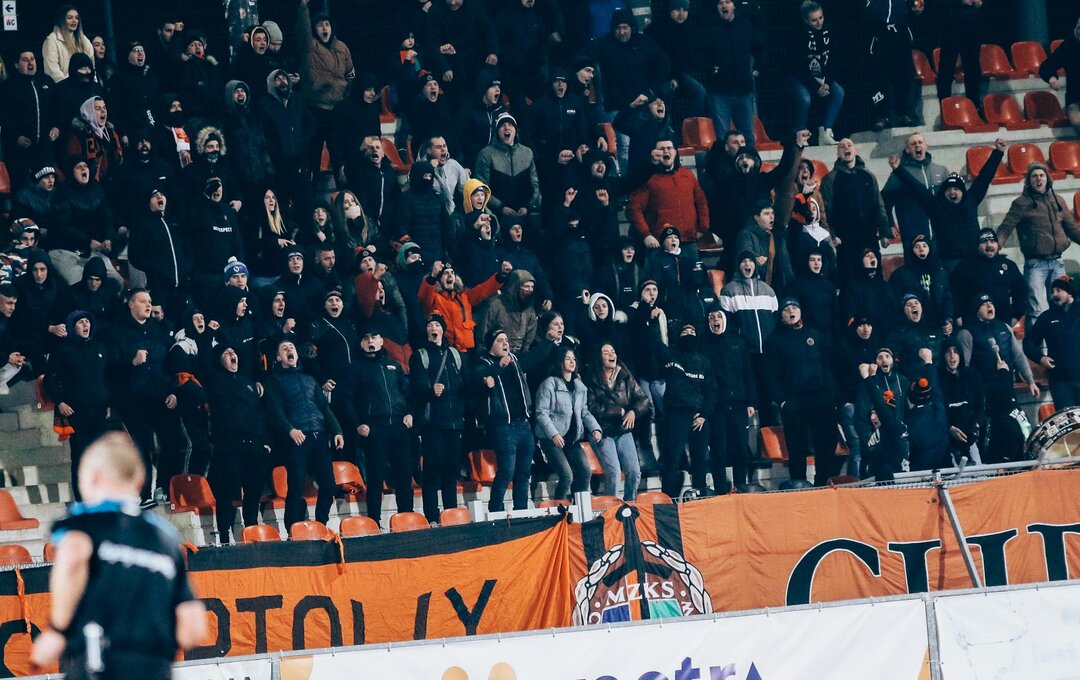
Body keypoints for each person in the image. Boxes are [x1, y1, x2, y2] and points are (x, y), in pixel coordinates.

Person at [29, 432, 208, 679]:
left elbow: (73, 559)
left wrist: (58, 631)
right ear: (140, 480)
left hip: (100, 660)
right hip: (155, 666)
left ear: (92, 476)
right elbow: (193, 627)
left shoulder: (83, 522)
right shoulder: (165, 535)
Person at [105, 289, 188, 505]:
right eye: (143, 301)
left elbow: (170, 365)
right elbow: (110, 367)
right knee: (142, 446)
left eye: (150, 301)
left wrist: (173, 391)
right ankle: (144, 495)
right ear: (131, 305)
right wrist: (131, 362)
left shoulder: (159, 330)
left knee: (173, 441)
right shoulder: (117, 332)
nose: (148, 305)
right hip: (132, 398)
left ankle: (163, 486)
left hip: (159, 396)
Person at [262, 338, 345, 532]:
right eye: (284, 348)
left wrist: (337, 430)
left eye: (291, 347)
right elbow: (275, 410)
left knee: (329, 486)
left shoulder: (309, 379)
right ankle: (293, 529)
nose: (289, 349)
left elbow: (324, 408)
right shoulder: (274, 381)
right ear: (278, 357)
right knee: (296, 486)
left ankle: (321, 525)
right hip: (297, 439)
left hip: (319, 436)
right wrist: (290, 429)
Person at [886, 140, 1005, 270]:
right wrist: (898, 169)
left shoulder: (971, 200)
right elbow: (916, 188)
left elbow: (984, 177)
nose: (952, 192)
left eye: (956, 189)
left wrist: (998, 152)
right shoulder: (936, 206)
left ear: (962, 191)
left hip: (974, 259)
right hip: (949, 263)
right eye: (948, 189)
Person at [472, 328, 554, 512]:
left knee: (523, 473)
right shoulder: (483, 362)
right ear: (491, 345)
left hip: (523, 424)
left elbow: (534, 357)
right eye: (500, 340)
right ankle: (495, 511)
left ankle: (521, 511)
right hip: (502, 427)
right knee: (506, 471)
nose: (505, 343)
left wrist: (548, 340)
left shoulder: (514, 359)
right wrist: (497, 369)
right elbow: (475, 377)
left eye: (506, 340)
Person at [995, 162, 1080, 330]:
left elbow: (1072, 228)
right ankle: (1037, 345)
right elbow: (1006, 227)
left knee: (1063, 306)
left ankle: (1060, 341)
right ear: (1029, 181)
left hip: (1057, 263)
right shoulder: (1021, 203)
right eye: (1034, 176)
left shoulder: (1058, 200)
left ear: (1047, 179)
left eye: (1041, 175)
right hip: (1035, 265)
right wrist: (996, 246)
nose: (1038, 179)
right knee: (1036, 309)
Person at [344, 323, 414, 524]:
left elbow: (408, 393)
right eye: (366, 338)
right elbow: (347, 400)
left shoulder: (394, 365)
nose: (370, 341)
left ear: (381, 341)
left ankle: (407, 520)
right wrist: (358, 424)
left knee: (404, 476)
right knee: (375, 478)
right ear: (361, 343)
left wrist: (410, 413)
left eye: (374, 337)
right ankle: (374, 522)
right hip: (374, 428)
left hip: (398, 426)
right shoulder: (356, 367)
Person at [765, 296, 839, 485]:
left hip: (820, 397)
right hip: (794, 400)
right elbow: (771, 374)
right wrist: (782, 400)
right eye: (786, 309)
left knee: (826, 443)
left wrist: (831, 395)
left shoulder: (814, 334)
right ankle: (799, 485)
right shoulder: (774, 340)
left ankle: (823, 483)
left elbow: (826, 367)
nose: (791, 311)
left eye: (794, 308)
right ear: (781, 315)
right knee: (797, 447)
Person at [204, 342, 269, 544]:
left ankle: (251, 532)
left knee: (253, 492)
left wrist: (264, 441)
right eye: (227, 352)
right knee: (226, 493)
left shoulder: (247, 382)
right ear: (219, 359)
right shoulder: (215, 381)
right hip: (230, 444)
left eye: (234, 352)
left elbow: (259, 413)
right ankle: (224, 536)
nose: (233, 354)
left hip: (253, 445)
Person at [43, 311, 110, 502]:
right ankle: (82, 500)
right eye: (80, 322)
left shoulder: (100, 347)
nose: (85, 325)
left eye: (87, 321)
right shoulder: (62, 350)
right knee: (80, 456)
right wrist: (60, 401)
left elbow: (107, 377)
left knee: (100, 456)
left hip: (99, 410)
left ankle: (100, 496)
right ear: (72, 326)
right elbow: (50, 379)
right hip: (76, 411)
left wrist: (108, 403)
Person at [410, 314, 467, 523]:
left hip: (454, 423)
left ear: (443, 330)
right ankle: (432, 517)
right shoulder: (420, 355)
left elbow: (465, 382)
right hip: (432, 423)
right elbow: (416, 386)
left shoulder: (455, 354)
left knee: (451, 472)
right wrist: (429, 390)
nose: (433, 328)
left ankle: (451, 514)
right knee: (432, 473)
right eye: (430, 325)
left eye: (437, 325)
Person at [534, 345, 603, 502]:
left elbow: (584, 412)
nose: (572, 362)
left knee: (585, 472)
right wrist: (554, 434)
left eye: (574, 359)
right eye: (567, 359)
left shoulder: (579, 386)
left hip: (571, 438)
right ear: (560, 361)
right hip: (551, 439)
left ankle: (579, 506)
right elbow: (541, 412)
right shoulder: (549, 383)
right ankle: (560, 508)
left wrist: (595, 428)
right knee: (567, 476)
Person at [655, 323, 716, 498]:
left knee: (700, 461)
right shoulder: (671, 355)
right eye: (685, 331)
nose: (689, 334)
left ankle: (700, 496)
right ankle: (668, 500)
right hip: (676, 414)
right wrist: (651, 317)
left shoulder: (704, 361)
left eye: (692, 331)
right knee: (672, 460)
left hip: (698, 417)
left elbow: (711, 391)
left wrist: (703, 415)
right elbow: (653, 342)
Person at [702, 306, 757, 491]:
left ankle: (741, 487)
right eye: (712, 317)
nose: (715, 320)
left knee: (741, 448)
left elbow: (748, 373)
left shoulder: (738, 342)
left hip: (739, 405)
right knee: (718, 450)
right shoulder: (704, 346)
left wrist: (751, 401)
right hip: (717, 407)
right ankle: (720, 490)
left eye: (719, 316)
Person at [627, 138, 709, 260]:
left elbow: (701, 202)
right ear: (654, 153)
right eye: (661, 149)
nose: (666, 151)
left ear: (675, 152)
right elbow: (633, 208)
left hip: (688, 241)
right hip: (659, 244)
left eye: (669, 148)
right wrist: (646, 235)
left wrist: (703, 227)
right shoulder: (647, 178)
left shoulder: (687, 175)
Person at [698, 0, 765, 147]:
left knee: (748, 136)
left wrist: (758, 68)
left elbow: (759, 46)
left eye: (727, 2)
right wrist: (711, 69)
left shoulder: (745, 25)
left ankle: (749, 160)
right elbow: (700, 54)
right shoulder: (709, 29)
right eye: (720, 3)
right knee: (723, 139)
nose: (724, 6)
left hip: (743, 89)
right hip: (719, 91)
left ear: (734, 5)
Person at [585, 342, 647, 499]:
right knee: (614, 473)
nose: (611, 355)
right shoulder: (592, 379)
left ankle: (629, 505)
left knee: (634, 472)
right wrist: (618, 411)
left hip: (622, 430)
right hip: (603, 431)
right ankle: (611, 508)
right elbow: (592, 407)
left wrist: (634, 411)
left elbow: (644, 399)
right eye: (606, 352)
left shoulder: (625, 376)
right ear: (600, 358)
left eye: (613, 351)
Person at [820, 138, 890, 275]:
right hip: (844, 238)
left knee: (874, 276)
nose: (846, 148)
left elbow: (879, 204)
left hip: (869, 235)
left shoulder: (869, 176)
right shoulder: (829, 179)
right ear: (838, 153)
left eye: (849, 145)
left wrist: (884, 232)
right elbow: (826, 210)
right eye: (842, 146)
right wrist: (831, 235)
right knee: (849, 277)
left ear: (855, 150)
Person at [419, 259, 509, 351]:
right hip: (445, 350)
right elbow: (424, 297)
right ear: (439, 279)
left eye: (452, 273)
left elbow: (484, 290)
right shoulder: (433, 298)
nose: (450, 275)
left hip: (467, 351)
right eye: (446, 273)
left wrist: (501, 275)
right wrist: (432, 277)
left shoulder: (464, 297)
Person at [785, 2, 843, 144]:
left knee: (839, 92)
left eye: (820, 18)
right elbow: (799, 66)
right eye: (814, 20)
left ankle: (826, 131)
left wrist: (827, 82)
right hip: (799, 76)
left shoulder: (829, 32)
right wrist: (816, 86)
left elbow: (833, 59)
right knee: (805, 99)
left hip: (822, 77)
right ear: (806, 21)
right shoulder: (798, 35)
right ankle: (800, 133)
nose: (819, 22)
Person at [881, 134, 949, 254]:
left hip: (939, 234)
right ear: (907, 150)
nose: (917, 145)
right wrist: (889, 225)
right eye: (913, 144)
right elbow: (884, 201)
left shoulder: (941, 171)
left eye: (920, 142)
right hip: (912, 237)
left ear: (926, 146)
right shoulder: (899, 173)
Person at [861, 0, 923, 130]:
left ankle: (905, 113)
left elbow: (913, 6)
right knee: (879, 78)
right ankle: (881, 115)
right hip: (878, 31)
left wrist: (916, 8)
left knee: (904, 76)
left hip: (900, 30)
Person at [1024, 276, 1080, 410]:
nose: (1054, 294)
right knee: (1067, 420)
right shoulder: (1047, 317)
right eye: (1052, 291)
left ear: (1069, 293)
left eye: (1058, 290)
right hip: (1060, 380)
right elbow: (1028, 342)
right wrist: (1040, 358)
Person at [950, 228, 1026, 327]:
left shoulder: (1008, 265)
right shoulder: (965, 267)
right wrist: (958, 316)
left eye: (993, 241)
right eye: (984, 242)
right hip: (974, 326)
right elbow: (955, 293)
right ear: (977, 246)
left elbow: (1021, 292)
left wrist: (1016, 316)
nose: (989, 245)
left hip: (1003, 324)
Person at [936, 0, 985, 113]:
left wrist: (979, 3)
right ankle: (944, 107)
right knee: (947, 68)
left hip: (972, 25)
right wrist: (961, 2)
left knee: (973, 68)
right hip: (951, 25)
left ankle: (974, 106)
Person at [1039, 16, 1080, 131]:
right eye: (1079, 28)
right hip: (1076, 99)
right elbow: (1046, 66)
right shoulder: (1068, 46)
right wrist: (1051, 78)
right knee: (1078, 122)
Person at [42, 5, 95, 83]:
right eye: (70, 18)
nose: (74, 20)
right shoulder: (52, 40)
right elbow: (52, 70)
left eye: (76, 18)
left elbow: (91, 66)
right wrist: (68, 86)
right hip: (64, 87)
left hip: (85, 85)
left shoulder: (84, 40)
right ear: (62, 20)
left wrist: (92, 84)